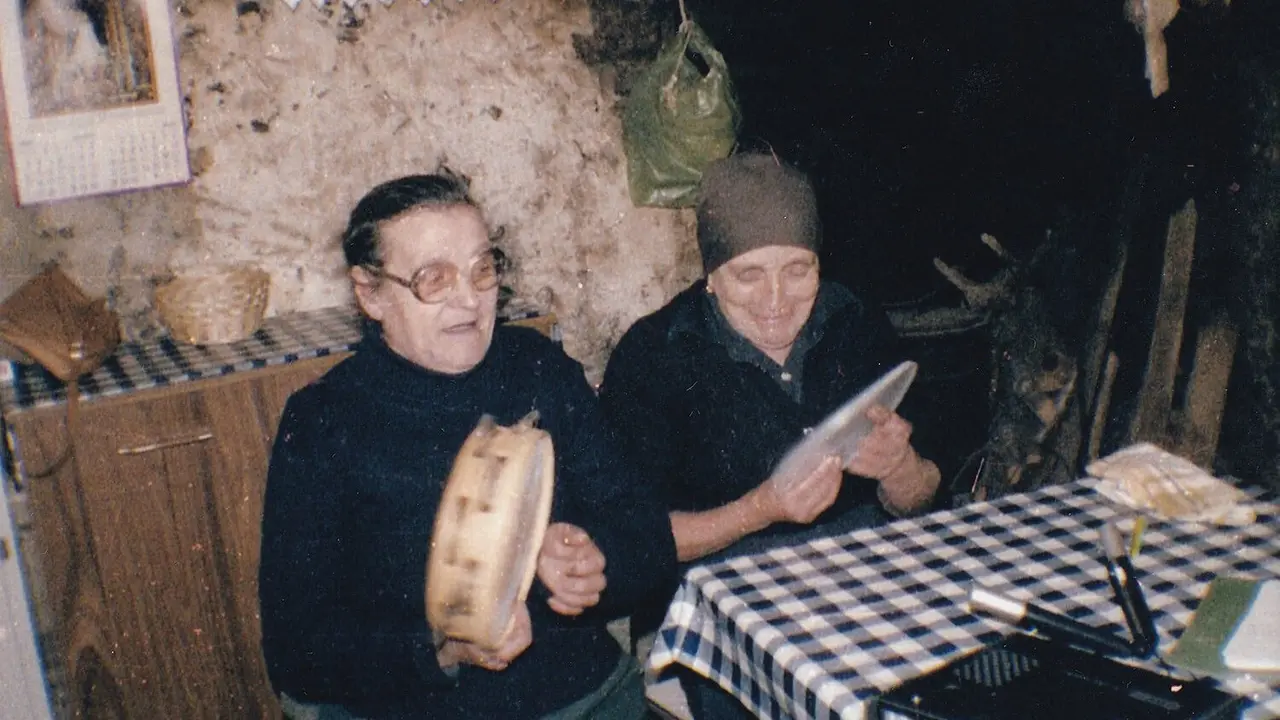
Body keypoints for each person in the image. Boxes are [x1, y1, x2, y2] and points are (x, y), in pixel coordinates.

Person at [258, 171, 677, 720]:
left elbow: (647, 535)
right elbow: (297, 651)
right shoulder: (324, 423)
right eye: (434, 278)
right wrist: (442, 646)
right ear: (371, 293)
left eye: (484, 269)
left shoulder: (538, 369)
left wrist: (594, 561)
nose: (470, 299)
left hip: (583, 699)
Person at [598, 151, 942, 718]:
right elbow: (634, 543)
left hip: (863, 575)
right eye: (749, 275)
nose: (777, 301)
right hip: (722, 602)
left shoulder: (854, 321)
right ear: (710, 275)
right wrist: (761, 509)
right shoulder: (656, 357)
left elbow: (922, 496)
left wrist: (898, 468)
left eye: (798, 270)